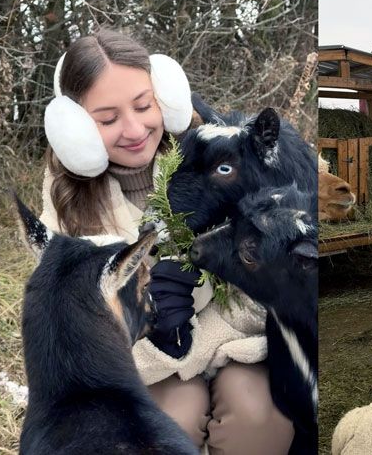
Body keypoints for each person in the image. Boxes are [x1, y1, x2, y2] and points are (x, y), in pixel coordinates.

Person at [39, 29, 294, 453]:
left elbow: (272, 287)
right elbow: (70, 330)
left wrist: (194, 338)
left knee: (261, 417)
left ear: (167, 96)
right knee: (171, 422)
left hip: (231, 335)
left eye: (144, 106)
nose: (134, 129)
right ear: (74, 129)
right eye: (107, 119)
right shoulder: (65, 201)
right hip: (141, 360)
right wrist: (158, 338)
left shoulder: (225, 159)